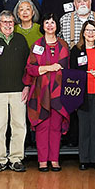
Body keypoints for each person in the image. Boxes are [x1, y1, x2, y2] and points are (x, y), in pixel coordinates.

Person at [0, 11, 30, 173]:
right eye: (5, 22)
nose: (8, 25)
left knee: (19, 126)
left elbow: (28, 66)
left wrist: (27, 86)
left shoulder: (21, 40)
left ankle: (16, 159)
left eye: (11, 22)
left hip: (19, 90)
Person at [24, 13, 71, 172]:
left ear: (57, 26)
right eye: (47, 22)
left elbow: (64, 68)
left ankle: (54, 159)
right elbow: (31, 68)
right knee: (42, 126)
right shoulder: (36, 44)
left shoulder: (63, 45)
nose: (50, 25)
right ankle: (42, 160)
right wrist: (49, 68)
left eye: (53, 22)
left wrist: (44, 69)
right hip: (40, 92)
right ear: (42, 25)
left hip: (58, 92)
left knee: (55, 127)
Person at [69, 21, 95, 170]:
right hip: (81, 95)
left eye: (93, 30)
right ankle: (84, 159)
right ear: (83, 32)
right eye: (87, 30)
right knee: (84, 128)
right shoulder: (76, 50)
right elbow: (71, 73)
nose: (90, 33)